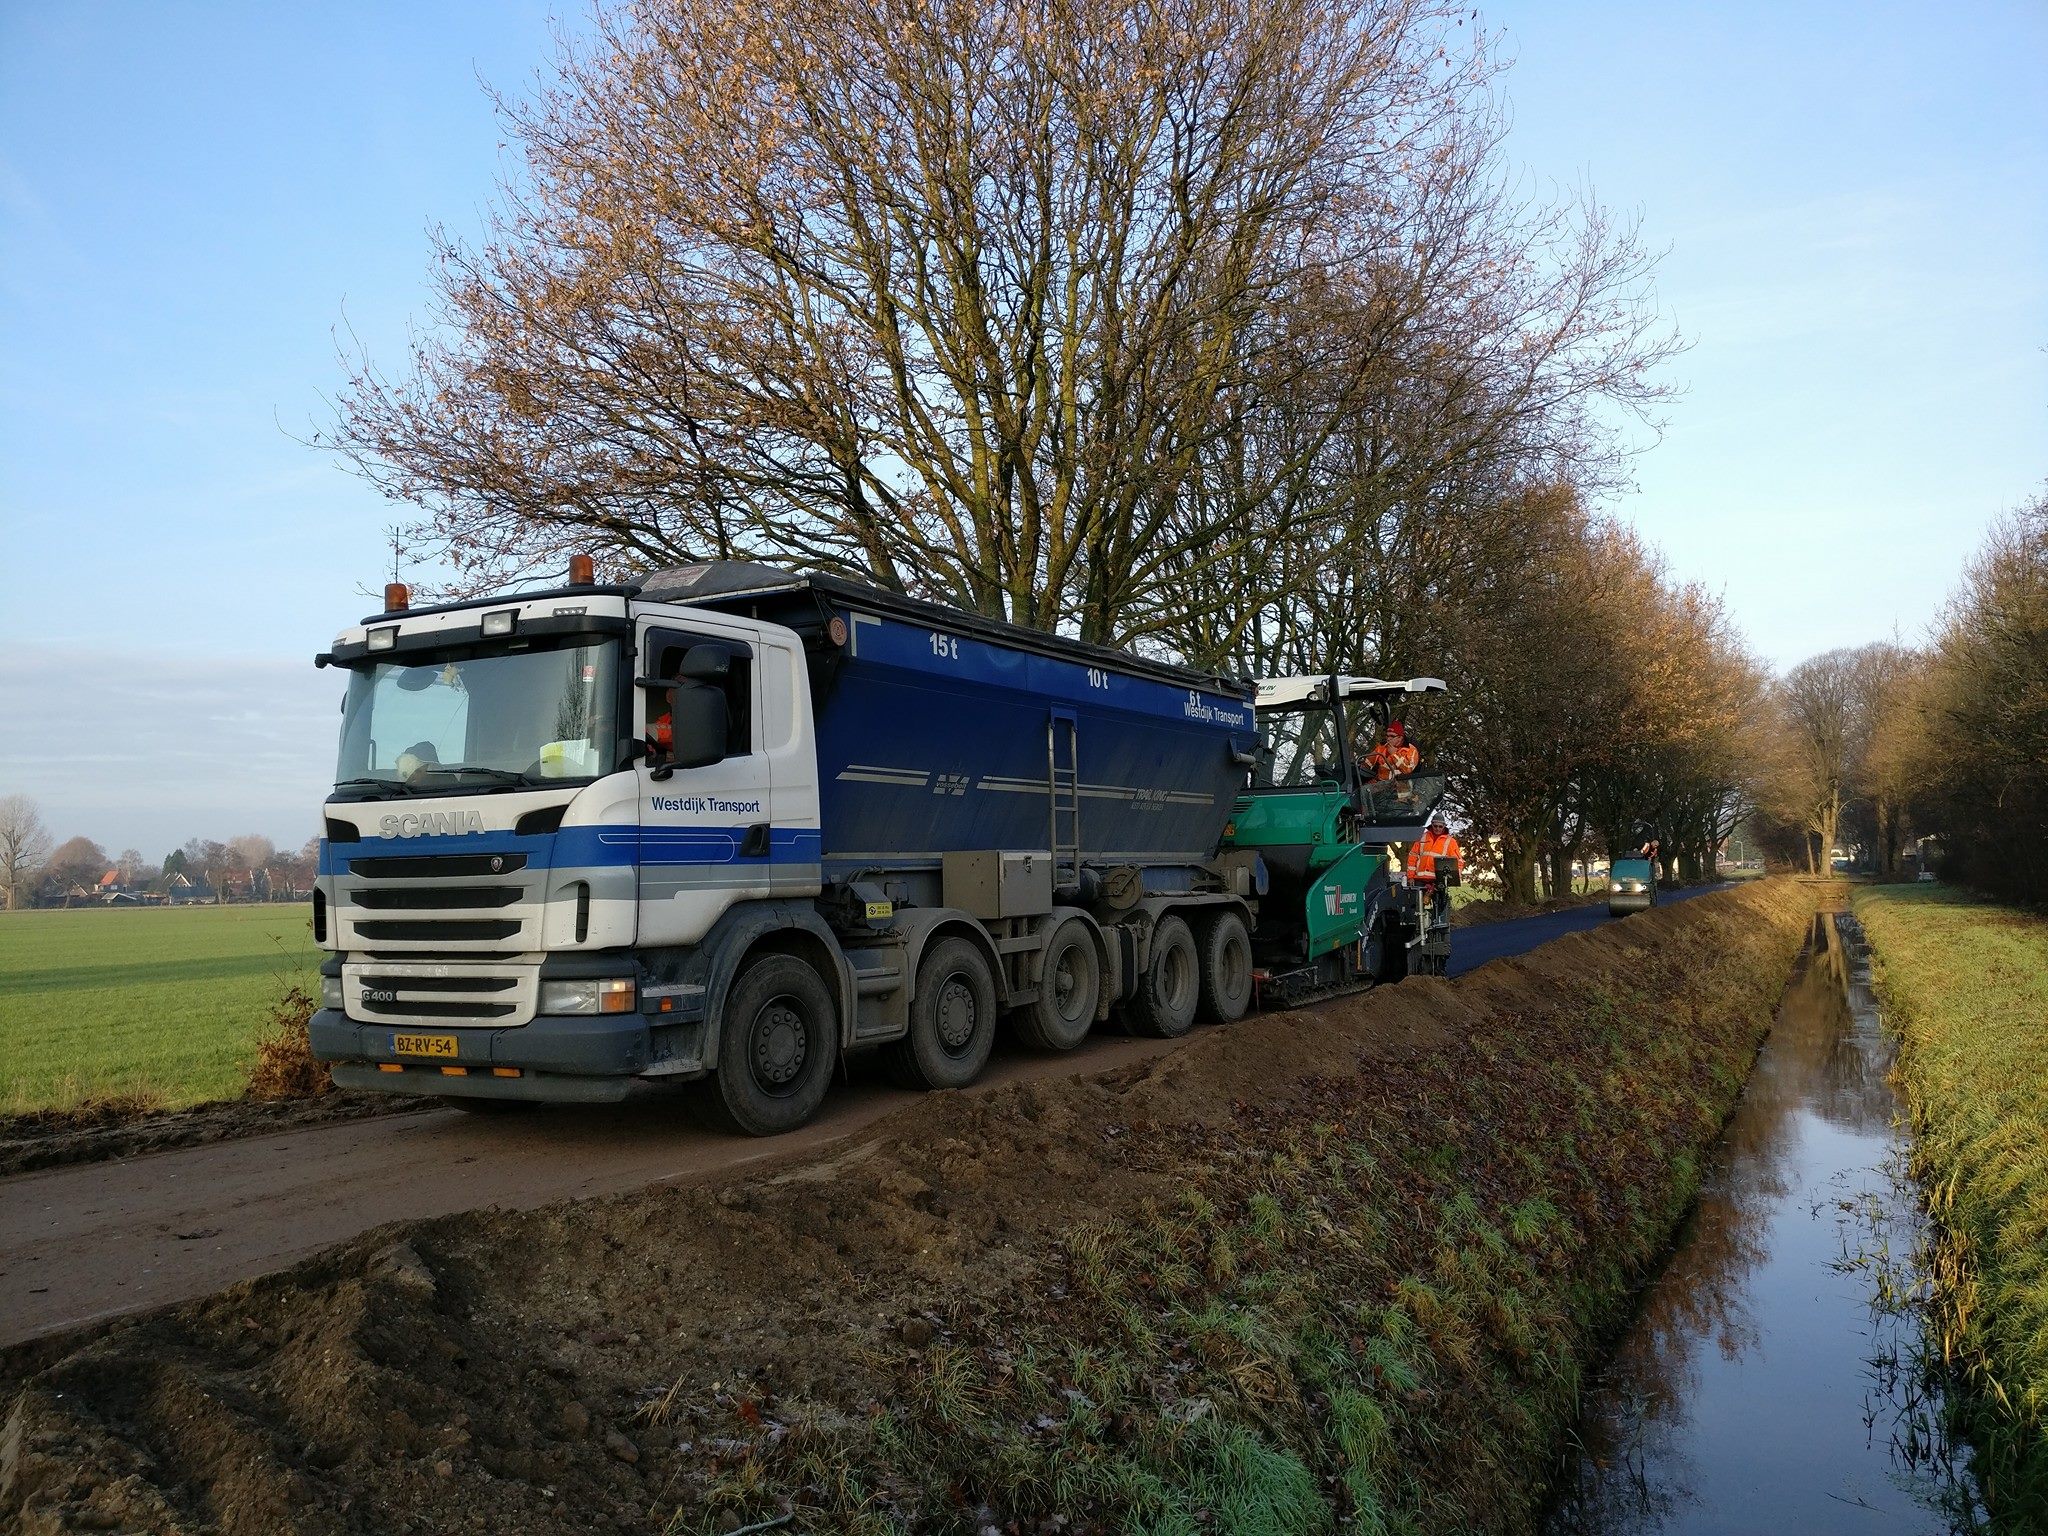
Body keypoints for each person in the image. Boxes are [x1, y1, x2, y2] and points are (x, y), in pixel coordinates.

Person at [1406, 813, 1464, 922]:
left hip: (1437, 880)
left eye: (1440, 826)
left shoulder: (1450, 842)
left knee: (1440, 907)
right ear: (1431, 825)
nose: (1437, 828)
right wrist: (1410, 876)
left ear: (1444, 826)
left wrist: (1452, 879)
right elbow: (1412, 857)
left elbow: (1458, 862)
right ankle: (1416, 927)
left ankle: (1438, 926)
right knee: (1414, 907)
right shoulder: (1422, 838)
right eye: (1435, 826)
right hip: (1419, 879)